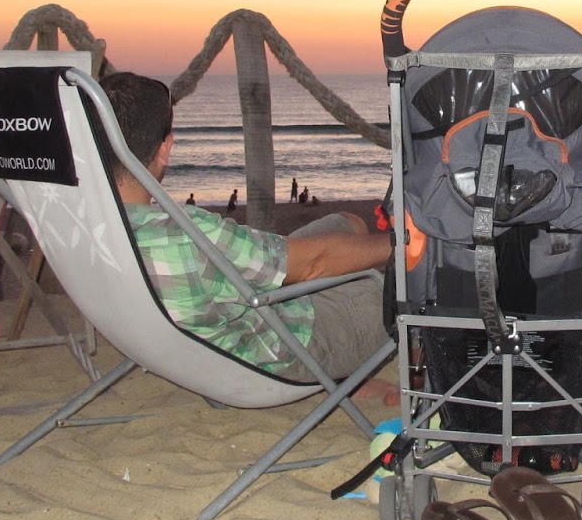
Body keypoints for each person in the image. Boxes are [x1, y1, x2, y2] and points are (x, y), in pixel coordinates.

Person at [98, 72, 391, 383]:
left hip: (201, 334)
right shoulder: (187, 234)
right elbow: (314, 264)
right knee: (404, 288)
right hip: (279, 349)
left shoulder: (90, 225)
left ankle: (354, 376)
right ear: (165, 148)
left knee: (347, 223)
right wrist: (406, 242)